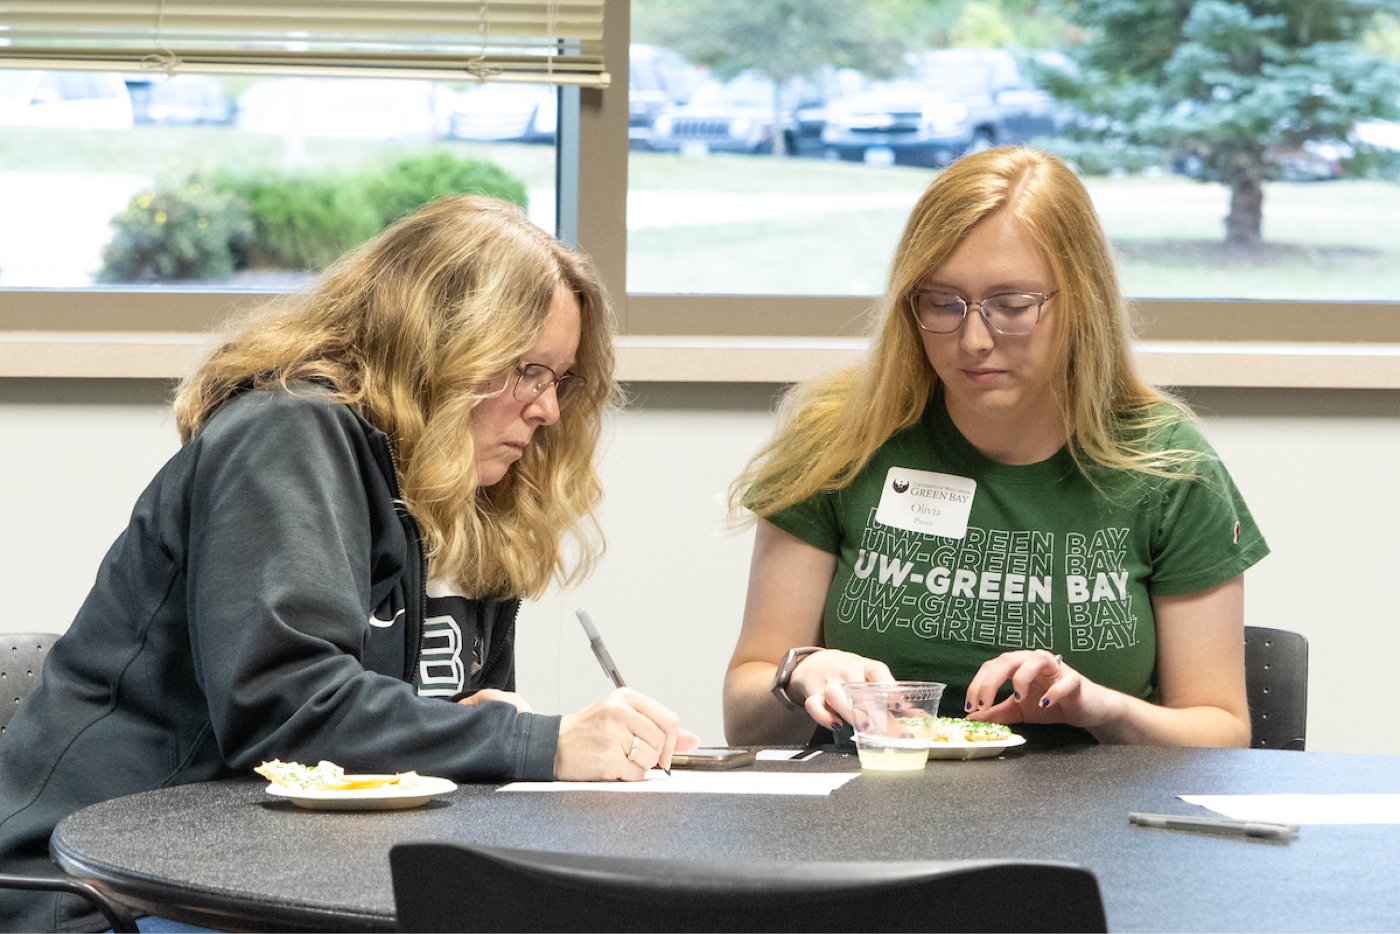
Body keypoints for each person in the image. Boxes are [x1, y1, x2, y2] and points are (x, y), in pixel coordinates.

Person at [0, 195, 696, 932]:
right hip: (100, 891)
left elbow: (415, 744)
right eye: (528, 371)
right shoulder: (285, 435)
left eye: (559, 380)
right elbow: (289, 710)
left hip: (273, 872)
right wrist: (539, 741)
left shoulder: (462, 488)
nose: (548, 410)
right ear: (441, 347)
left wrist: (466, 726)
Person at [724, 147, 1268, 751]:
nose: (974, 340)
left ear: (1082, 301)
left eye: (1011, 307)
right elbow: (744, 717)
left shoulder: (1165, 463)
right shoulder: (840, 439)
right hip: (869, 818)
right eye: (942, 304)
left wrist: (1098, 707)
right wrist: (797, 675)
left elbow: (1221, 734)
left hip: (1088, 830)